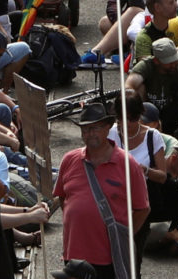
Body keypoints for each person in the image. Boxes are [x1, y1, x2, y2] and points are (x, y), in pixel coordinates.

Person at [54, 109, 149, 279]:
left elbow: (142, 209)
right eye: (85, 129)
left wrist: (122, 236)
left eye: (94, 128)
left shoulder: (128, 165)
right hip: (73, 255)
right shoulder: (69, 159)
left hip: (109, 257)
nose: (89, 134)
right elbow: (63, 197)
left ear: (108, 128)